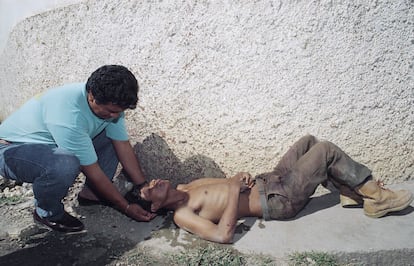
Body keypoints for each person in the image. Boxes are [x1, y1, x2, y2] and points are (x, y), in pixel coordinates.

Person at [138, 135, 413, 244]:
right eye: (148, 191)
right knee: (325, 151)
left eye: (149, 181)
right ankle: (376, 198)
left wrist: (238, 177)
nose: (153, 183)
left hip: (270, 180)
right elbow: (222, 235)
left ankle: (351, 193)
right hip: (277, 200)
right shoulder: (181, 215)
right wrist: (235, 190)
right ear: (154, 207)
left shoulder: (188, 186)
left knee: (309, 142)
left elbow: (228, 185)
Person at [0, 65, 156, 233]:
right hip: (11, 150)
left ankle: (91, 195)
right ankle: (47, 213)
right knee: (65, 164)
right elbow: (92, 171)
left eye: (120, 111)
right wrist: (125, 207)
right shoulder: (69, 114)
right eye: (111, 111)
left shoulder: (109, 101)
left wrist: (142, 186)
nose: (116, 116)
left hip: (52, 144)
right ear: (92, 97)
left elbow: (122, 145)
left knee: (110, 136)